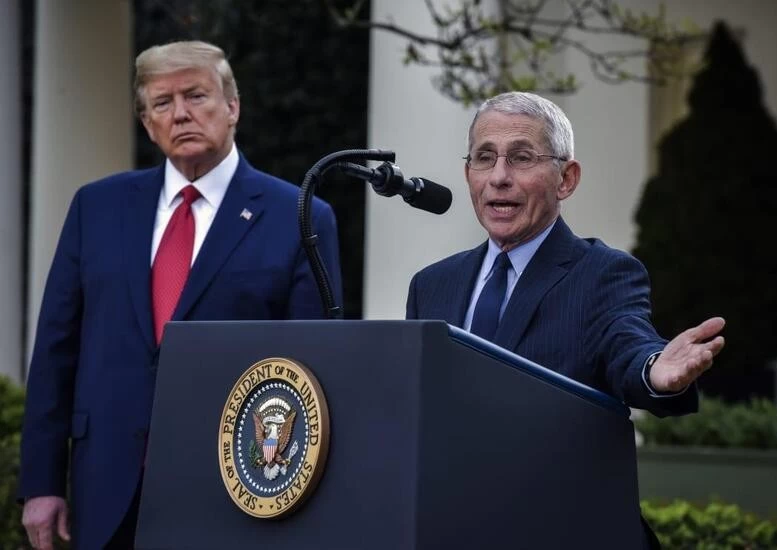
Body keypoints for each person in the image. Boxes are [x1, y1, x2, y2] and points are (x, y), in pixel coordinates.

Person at [18, 40, 342, 550]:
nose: (181, 114)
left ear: (232, 107)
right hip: (104, 484)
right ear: (147, 123)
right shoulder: (95, 208)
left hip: (235, 491)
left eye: (195, 95)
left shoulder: (298, 216)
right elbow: (56, 350)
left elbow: (313, 368)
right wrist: (41, 482)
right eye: (163, 103)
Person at [405, 91, 725, 547]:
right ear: (468, 173)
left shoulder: (602, 274)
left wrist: (652, 369)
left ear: (566, 179)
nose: (499, 177)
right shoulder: (432, 284)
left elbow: (627, 342)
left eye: (521, 158)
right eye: (484, 158)